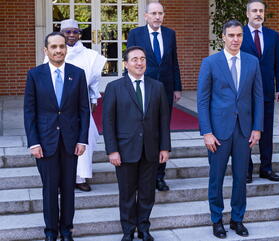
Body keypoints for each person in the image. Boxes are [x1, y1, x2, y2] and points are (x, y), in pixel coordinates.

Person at [197, 20, 264, 239]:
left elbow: (258, 97)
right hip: (218, 132)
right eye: (231, 36)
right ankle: (217, 220)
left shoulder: (252, 62)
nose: (235, 40)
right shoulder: (210, 63)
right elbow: (202, 100)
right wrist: (206, 132)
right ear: (223, 37)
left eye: (239, 35)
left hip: (244, 131)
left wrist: (257, 128)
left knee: (241, 178)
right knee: (216, 178)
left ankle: (237, 219)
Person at [24, 32, 90, 241]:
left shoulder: (78, 74)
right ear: (46, 50)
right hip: (45, 143)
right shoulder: (35, 75)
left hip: (71, 143)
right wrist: (33, 142)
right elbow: (29, 112)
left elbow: (83, 110)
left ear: (66, 49)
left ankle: (66, 230)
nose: (58, 50)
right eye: (54, 47)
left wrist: (82, 139)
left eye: (61, 46)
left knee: (69, 190)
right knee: (50, 190)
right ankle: (51, 232)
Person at [102, 46, 171, 241]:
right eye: (134, 59)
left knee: (147, 193)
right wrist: (112, 150)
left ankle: (143, 228)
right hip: (124, 151)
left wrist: (165, 147)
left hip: (151, 149)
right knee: (127, 194)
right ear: (125, 64)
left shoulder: (157, 87)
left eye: (142, 59)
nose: (139, 63)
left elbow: (164, 120)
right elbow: (108, 123)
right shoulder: (114, 87)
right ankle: (128, 231)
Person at [127, 2, 181, 192]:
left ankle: (159, 176)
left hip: (164, 90)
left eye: (160, 13)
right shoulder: (135, 34)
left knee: (162, 130)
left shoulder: (170, 34)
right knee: (140, 128)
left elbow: (174, 61)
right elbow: (130, 61)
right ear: (146, 16)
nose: (157, 17)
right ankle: (140, 174)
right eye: (153, 13)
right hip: (142, 89)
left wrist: (177, 87)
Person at [51, 19, 106, 192]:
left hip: (81, 104)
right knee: (61, 140)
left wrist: (94, 99)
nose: (72, 35)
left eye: (75, 32)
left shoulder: (90, 55)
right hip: (59, 105)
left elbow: (95, 81)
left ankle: (80, 176)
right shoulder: (54, 52)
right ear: (62, 34)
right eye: (68, 32)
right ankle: (62, 177)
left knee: (84, 139)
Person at [241, 0, 279, 183]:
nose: (258, 14)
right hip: (244, 92)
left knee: (266, 131)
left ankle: (266, 168)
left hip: (266, 91)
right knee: (245, 131)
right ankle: (246, 170)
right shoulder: (238, 34)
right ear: (247, 14)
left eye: (261, 11)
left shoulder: (273, 35)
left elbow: (278, 63)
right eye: (254, 11)